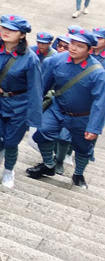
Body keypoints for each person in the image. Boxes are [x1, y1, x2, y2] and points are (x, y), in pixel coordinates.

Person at [27, 32, 105, 189]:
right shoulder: (56, 60)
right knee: (43, 131)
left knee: (83, 147)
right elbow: (43, 85)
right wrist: (32, 108)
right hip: (58, 108)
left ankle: (78, 174)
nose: (73, 48)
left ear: (90, 50)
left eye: (80, 46)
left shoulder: (97, 73)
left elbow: (100, 102)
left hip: (83, 116)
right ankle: (49, 165)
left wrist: (94, 127)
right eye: (72, 43)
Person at [0, 15, 42, 188]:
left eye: (12, 30)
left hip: (19, 105)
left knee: (11, 141)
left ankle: (9, 171)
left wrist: (34, 119)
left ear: (22, 35)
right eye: (3, 27)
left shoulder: (30, 58)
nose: (6, 32)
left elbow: (35, 89)